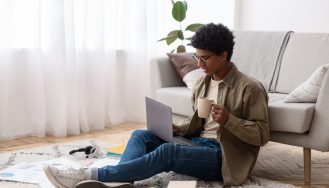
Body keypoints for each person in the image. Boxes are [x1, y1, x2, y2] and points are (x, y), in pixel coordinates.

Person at [43, 23, 269, 187]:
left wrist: (229, 120)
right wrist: (178, 129)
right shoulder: (203, 82)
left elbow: (261, 135)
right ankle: (121, 181)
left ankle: (90, 175)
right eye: (196, 57)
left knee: (167, 152)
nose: (199, 64)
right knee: (140, 135)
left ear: (224, 55)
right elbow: (198, 122)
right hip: (197, 143)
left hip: (223, 156)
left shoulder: (250, 88)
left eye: (205, 58)